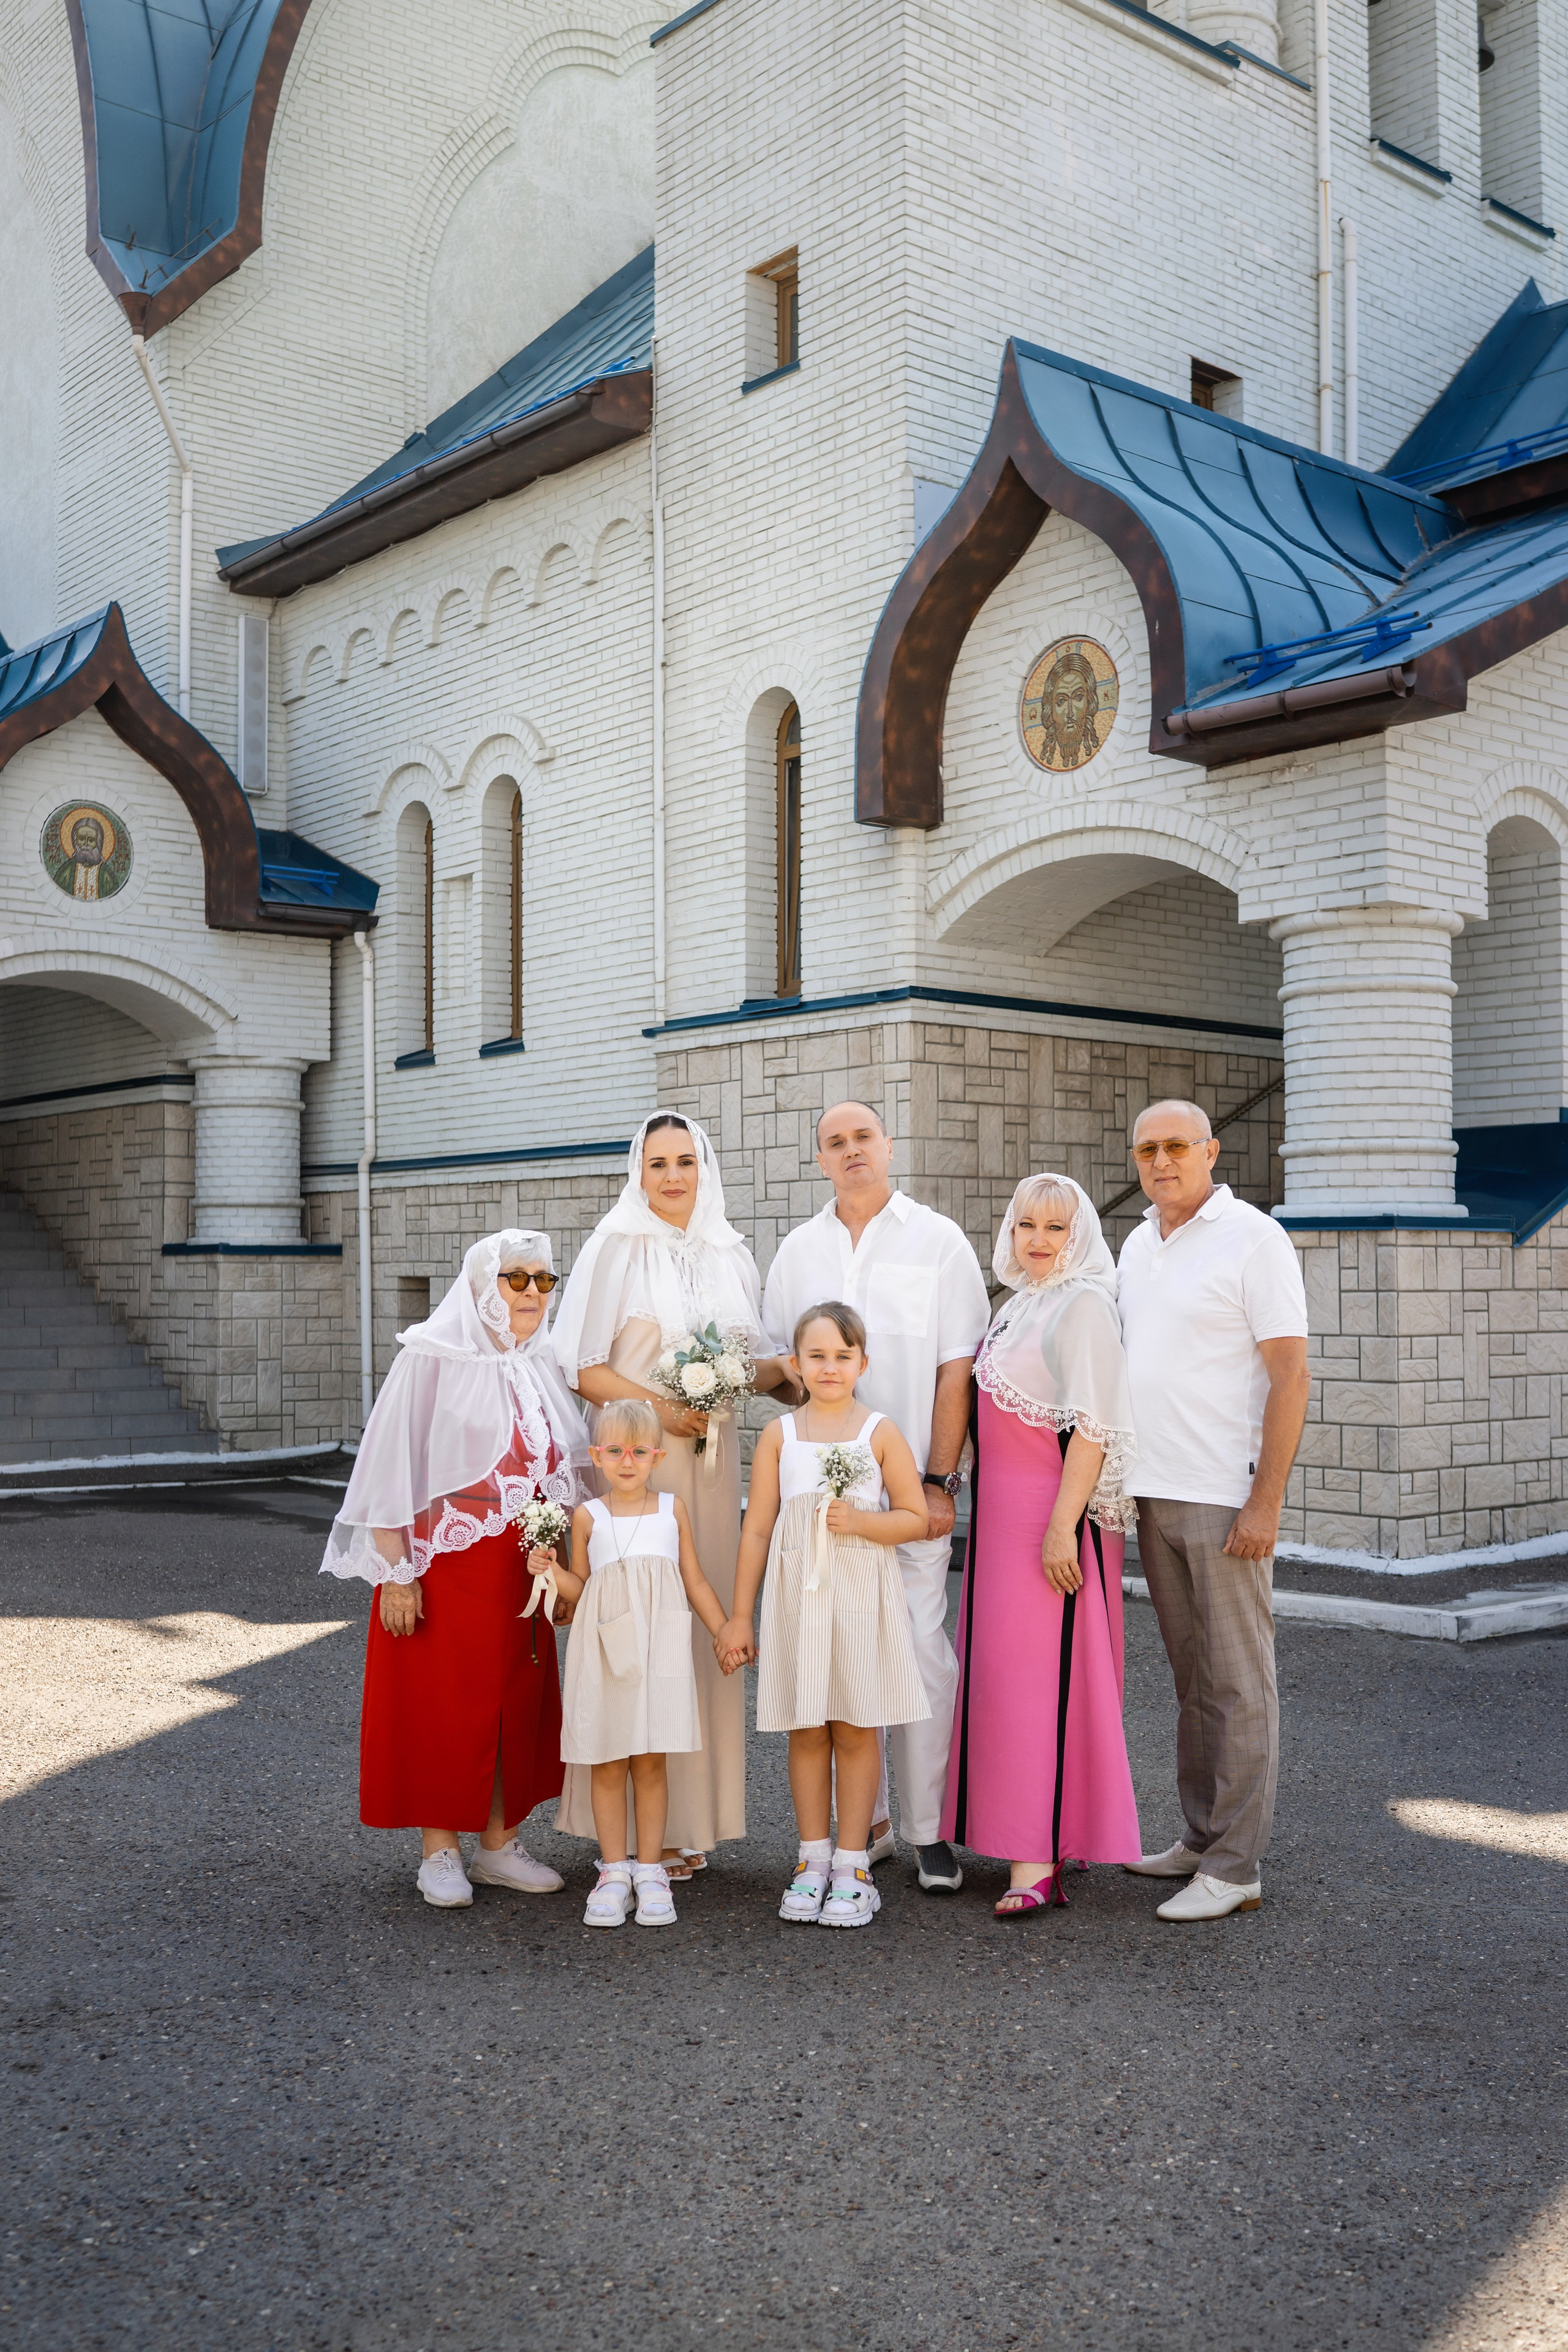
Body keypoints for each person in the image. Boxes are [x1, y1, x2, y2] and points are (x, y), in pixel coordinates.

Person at [551, 1112, 794, 1872]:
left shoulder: (730, 1250)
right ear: (638, 1170)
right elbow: (581, 1365)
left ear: (704, 1166)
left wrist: (796, 1371)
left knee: (700, 1623)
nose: (673, 1176)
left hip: (714, 1465)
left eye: (685, 1161)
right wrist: (662, 1410)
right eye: (657, 1163)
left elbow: (749, 1361)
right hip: (639, 1461)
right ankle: (625, 1834)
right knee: (636, 1632)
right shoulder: (615, 1244)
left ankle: (690, 1822)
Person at [322, 1229, 592, 1909]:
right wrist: (398, 1571)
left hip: (522, 1563)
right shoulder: (431, 1357)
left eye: (543, 1280)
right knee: (443, 1705)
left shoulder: (543, 1363)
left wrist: (560, 1570)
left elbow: (558, 1477)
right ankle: (439, 1851)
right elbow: (388, 1466)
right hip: (445, 1560)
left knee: (515, 1701)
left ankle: (500, 1845)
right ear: (482, 1285)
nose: (532, 1293)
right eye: (516, 1279)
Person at [762, 1101, 990, 1891]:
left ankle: (929, 1831)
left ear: (888, 1145)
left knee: (922, 1651)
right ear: (819, 1157)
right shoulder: (797, 1251)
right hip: (820, 1504)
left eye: (864, 1137)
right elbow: (780, 1367)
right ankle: (870, 1829)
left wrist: (939, 1478)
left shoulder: (938, 1242)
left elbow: (954, 1369)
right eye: (835, 1142)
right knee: (842, 1656)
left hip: (907, 1486)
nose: (852, 1150)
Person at [1117, 1099, 1311, 1923]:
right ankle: (1200, 1838)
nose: (1162, 1161)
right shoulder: (1136, 1242)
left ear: (1210, 1151)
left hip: (1223, 1493)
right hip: (1153, 1491)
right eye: (1147, 1149)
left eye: (1177, 1147)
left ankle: (1237, 1866)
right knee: (1194, 1682)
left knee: (1239, 1685)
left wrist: (1265, 1499)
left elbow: (1291, 1375)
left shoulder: (1254, 1239)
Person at [941, 1175, 1142, 1913]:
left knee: (1040, 1685)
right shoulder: (1022, 1304)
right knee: (1006, 1682)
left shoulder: (1084, 1304)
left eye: (1054, 1228)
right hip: (1000, 1525)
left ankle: (1038, 1861)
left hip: (1050, 1521)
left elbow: (1094, 1424)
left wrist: (1063, 1525)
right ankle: (1043, 1835)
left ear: (1080, 1235)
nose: (1036, 1239)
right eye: (1025, 1224)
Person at [722, 1303, 930, 1929]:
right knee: (807, 1727)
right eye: (816, 1356)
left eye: (843, 1356)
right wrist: (739, 1616)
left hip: (860, 1597)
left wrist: (862, 1522)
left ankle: (852, 1863)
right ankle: (811, 1859)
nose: (830, 1367)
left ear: (862, 1363)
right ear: (797, 1365)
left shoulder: (879, 1432)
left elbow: (915, 1517)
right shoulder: (780, 1436)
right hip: (798, 1600)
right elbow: (757, 1529)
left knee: (856, 1725)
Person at [552, 1398, 737, 1929]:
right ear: (597, 1456)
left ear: (656, 1455)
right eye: (615, 1451)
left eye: (638, 1451)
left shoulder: (671, 1509)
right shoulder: (589, 1517)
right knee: (609, 1761)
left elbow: (694, 1578)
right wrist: (548, 1569)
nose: (627, 1461)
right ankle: (613, 1871)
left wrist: (724, 1629)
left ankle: (651, 1870)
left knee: (652, 1761)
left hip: (660, 1650)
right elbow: (581, 1588)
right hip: (606, 1651)